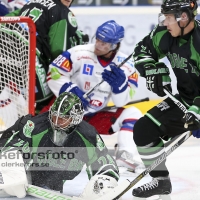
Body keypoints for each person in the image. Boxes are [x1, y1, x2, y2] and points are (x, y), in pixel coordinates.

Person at [46, 20, 143, 170]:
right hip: (67, 116)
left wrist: (120, 86)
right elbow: (54, 73)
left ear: (114, 45)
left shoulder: (127, 67)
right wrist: (70, 90)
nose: (98, 45)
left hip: (92, 120)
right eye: (97, 39)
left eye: (104, 43)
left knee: (133, 113)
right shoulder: (78, 53)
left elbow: (120, 102)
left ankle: (125, 154)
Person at [132, 0, 200, 198]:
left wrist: (197, 111)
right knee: (144, 130)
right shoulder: (164, 33)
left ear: (184, 17)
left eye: (168, 18)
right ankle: (161, 181)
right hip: (186, 100)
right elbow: (142, 51)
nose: (164, 22)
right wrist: (154, 71)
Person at [0, 92, 119, 199]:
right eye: (54, 116)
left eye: (62, 119)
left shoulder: (88, 135)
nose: (56, 122)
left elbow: (103, 159)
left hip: (54, 182)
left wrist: (105, 179)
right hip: (26, 175)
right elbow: (9, 141)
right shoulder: (34, 125)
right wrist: (12, 171)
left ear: (75, 119)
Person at [6, 0, 89, 106]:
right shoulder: (62, 11)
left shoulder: (33, 2)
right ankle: (34, 121)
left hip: (6, 48)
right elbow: (58, 51)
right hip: (27, 55)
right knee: (47, 98)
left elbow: (7, 18)